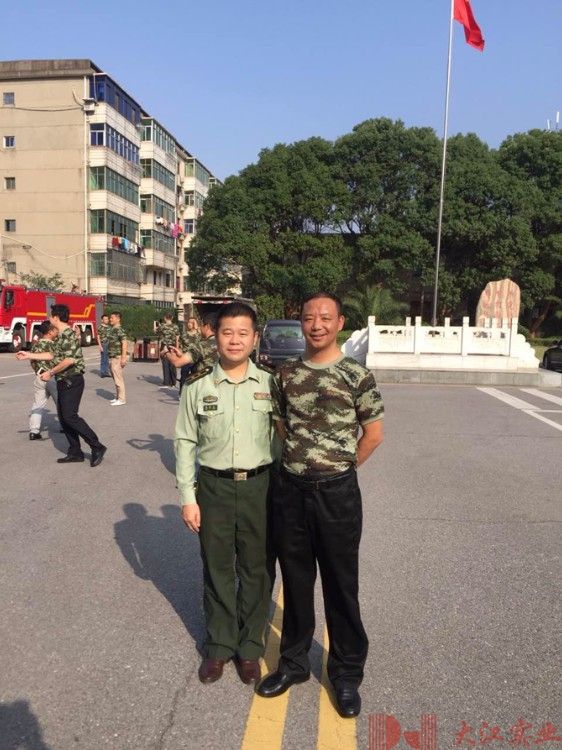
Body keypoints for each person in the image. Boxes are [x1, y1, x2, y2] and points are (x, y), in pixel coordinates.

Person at [256, 292, 384, 719]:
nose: (316, 325)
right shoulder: (286, 374)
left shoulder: (356, 375)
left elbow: (373, 434)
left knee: (341, 585)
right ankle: (293, 664)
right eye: (309, 317)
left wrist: (338, 469)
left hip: (336, 494)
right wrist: (303, 466)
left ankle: (346, 674)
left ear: (340, 323)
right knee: (294, 581)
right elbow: (282, 427)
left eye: (325, 318)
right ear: (301, 322)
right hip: (291, 492)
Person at [175, 302, 274, 685]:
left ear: (255, 338)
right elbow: (185, 441)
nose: (235, 340)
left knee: (256, 569)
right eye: (227, 332)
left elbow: (282, 440)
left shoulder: (270, 384)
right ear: (214, 337)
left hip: (259, 487)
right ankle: (219, 645)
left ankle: (250, 648)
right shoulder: (197, 386)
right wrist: (188, 497)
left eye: (243, 333)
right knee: (217, 568)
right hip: (213, 487)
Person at [16, 303, 106, 467]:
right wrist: (28, 354)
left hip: (72, 380)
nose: (49, 319)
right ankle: (75, 452)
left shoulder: (68, 335)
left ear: (56, 317)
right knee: (64, 418)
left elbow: (69, 360)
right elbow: (52, 355)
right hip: (63, 380)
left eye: (51, 316)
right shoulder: (60, 336)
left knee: (70, 416)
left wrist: (50, 373)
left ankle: (97, 446)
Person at [167, 312, 218, 385]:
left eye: (202, 325)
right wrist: (182, 354)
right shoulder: (223, 343)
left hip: (204, 385)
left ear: (207, 327)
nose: (200, 328)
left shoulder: (203, 345)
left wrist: (166, 353)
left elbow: (177, 362)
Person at [28, 320, 58, 440]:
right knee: (61, 403)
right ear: (50, 332)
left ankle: (34, 431)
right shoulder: (55, 345)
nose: (57, 332)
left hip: (39, 377)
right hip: (53, 377)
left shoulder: (35, 345)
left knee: (38, 404)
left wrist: (38, 372)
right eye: (55, 330)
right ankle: (65, 426)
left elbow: (32, 362)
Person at [107, 311, 128, 406]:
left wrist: (123, 357)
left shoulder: (119, 329)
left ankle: (122, 399)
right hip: (112, 356)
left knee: (118, 378)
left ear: (118, 319)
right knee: (115, 377)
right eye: (110, 318)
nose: (110, 319)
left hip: (117, 357)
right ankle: (118, 397)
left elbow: (124, 343)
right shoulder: (113, 329)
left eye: (112, 318)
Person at [177, 316, 201, 391]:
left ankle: (194, 393)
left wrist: (197, 328)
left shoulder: (199, 334)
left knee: (196, 376)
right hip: (186, 358)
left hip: (196, 359)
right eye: (188, 322)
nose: (189, 324)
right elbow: (180, 344)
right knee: (184, 376)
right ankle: (182, 393)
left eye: (192, 322)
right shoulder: (184, 334)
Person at [158, 313, 180, 387]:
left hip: (164, 346)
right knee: (173, 363)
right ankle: (173, 382)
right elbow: (177, 338)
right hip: (172, 346)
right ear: (172, 318)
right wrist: (177, 348)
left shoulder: (162, 326)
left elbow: (155, 330)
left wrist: (155, 324)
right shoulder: (175, 327)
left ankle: (166, 382)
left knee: (165, 364)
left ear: (165, 318)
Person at [97, 313, 111, 378]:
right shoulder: (100, 327)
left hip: (109, 344)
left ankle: (106, 372)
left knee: (107, 359)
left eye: (107, 319)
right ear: (102, 320)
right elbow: (98, 337)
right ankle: (102, 372)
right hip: (103, 344)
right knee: (103, 358)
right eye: (105, 319)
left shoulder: (109, 327)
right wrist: (100, 346)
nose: (106, 320)